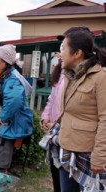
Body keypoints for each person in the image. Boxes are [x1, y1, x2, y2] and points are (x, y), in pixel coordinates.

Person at [57, 27, 106, 191]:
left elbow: (105, 118)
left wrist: (100, 156)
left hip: (88, 154)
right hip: (67, 148)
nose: (60, 53)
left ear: (77, 53)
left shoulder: (101, 77)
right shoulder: (70, 75)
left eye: (63, 48)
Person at [0, 44, 33, 173]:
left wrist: (3, 117)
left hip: (1, 127)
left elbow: (14, 100)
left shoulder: (12, 79)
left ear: (5, 61)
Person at [40, 53, 64, 192]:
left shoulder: (77, 77)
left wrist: (54, 123)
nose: (60, 55)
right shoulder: (60, 74)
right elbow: (51, 100)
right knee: (56, 174)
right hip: (54, 135)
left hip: (66, 135)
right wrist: (45, 117)